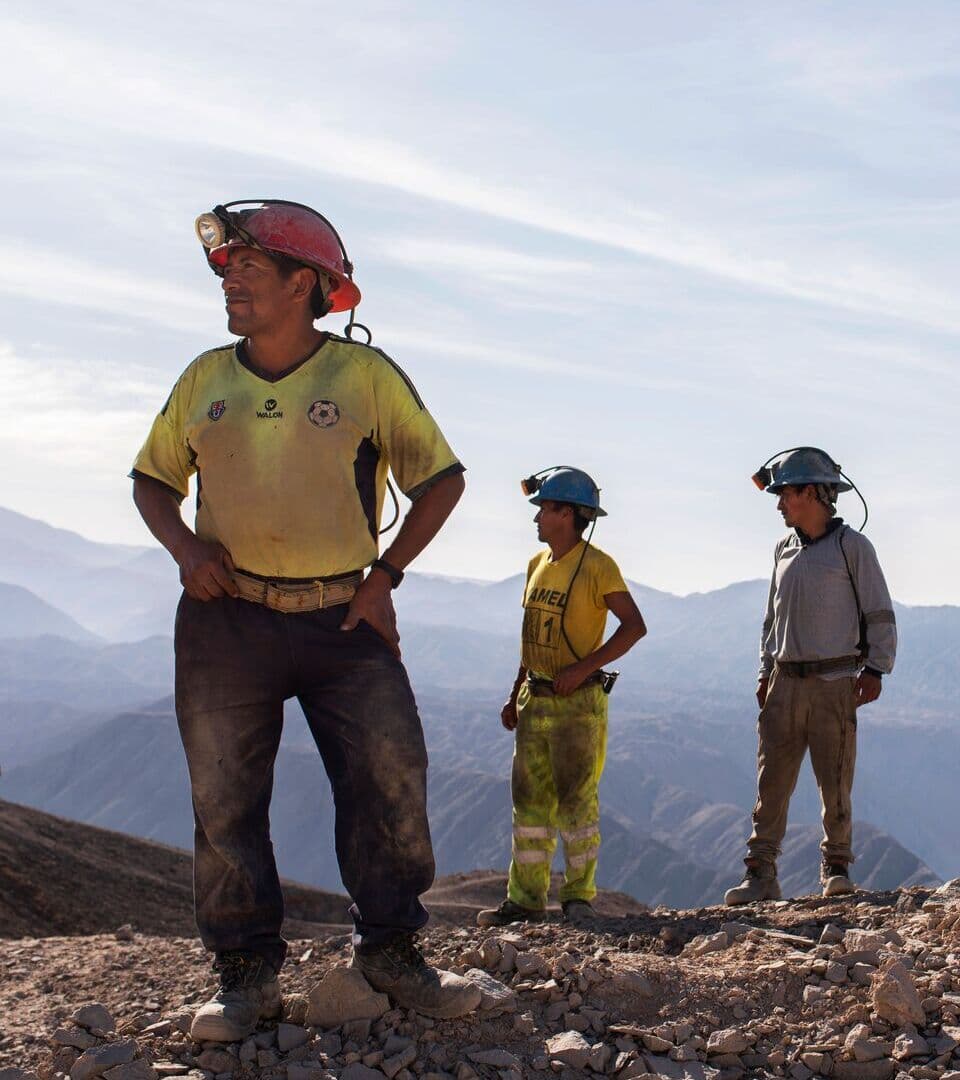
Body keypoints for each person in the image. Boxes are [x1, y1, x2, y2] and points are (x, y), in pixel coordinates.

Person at [130, 199, 480, 1041]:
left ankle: (391, 950)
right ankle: (245, 975)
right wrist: (186, 549)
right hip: (224, 619)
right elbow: (151, 480)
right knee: (225, 800)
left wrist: (385, 576)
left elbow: (441, 480)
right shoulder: (205, 378)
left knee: (390, 778)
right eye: (227, 268)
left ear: (304, 285)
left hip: (342, 620)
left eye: (250, 266)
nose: (230, 282)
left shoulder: (365, 377)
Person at [725, 447, 897, 905]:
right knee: (771, 782)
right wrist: (765, 671)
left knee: (835, 780)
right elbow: (771, 620)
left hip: (834, 682)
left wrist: (877, 668)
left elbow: (879, 612)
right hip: (783, 682)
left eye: (786, 495)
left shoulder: (852, 548)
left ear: (812, 493)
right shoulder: (782, 550)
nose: (780, 504)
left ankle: (836, 868)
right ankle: (761, 873)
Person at [477, 467, 646, 927]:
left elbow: (634, 626)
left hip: (578, 703)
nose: (537, 517)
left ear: (568, 514)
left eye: (545, 509)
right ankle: (525, 901)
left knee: (576, 803)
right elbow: (532, 635)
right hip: (535, 698)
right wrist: (515, 692)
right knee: (529, 804)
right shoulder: (537, 563)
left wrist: (583, 668)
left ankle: (578, 899)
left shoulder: (598, 567)